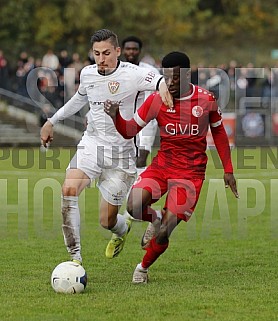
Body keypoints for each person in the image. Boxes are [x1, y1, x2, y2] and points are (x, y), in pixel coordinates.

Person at [104, 51, 239, 284]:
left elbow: (217, 131)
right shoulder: (157, 100)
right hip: (162, 167)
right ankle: (154, 218)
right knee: (134, 205)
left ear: (188, 74)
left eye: (175, 78)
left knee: (167, 230)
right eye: (166, 78)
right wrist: (116, 116)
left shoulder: (206, 100)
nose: (170, 83)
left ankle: (142, 268)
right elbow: (129, 131)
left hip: (190, 175)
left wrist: (228, 170)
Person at [40, 29, 173, 265]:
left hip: (121, 155)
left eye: (107, 53)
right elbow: (79, 99)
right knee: (68, 190)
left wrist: (163, 86)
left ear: (118, 51)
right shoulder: (88, 73)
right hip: (92, 145)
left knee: (107, 221)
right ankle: (75, 260)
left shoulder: (133, 74)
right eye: (97, 53)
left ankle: (122, 231)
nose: (101, 59)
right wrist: (52, 121)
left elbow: (159, 80)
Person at [121, 36, 159, 171]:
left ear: (140, 51)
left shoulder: (149, 71)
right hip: (123, 121)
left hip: (145, 122)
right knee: (125, 162)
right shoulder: (117, 71)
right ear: (122, 51)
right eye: (128, 49)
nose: (131, 52)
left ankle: (140, 190)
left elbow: (156, 95)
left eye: (134, 49)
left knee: (141, 159)